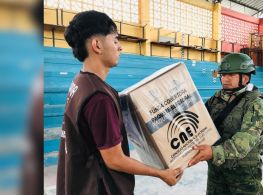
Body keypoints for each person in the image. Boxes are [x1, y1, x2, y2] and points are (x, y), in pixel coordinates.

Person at [56, 10, 182, 195]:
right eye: (115, 40)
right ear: (97, 45)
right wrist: (161, 173)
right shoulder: (99, 98)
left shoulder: (80, 82)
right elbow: (115, 160)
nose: (120, 47)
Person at [188, 53, 263, 195]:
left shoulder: (255, 103)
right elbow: (200, 122)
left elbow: (244, 143)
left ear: (244, 78)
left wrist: (212, 152)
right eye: (223, 75)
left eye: (230, 75)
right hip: (217, 170)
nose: (225, 79)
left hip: (243, 175)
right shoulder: (216, 98)